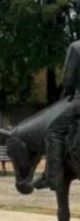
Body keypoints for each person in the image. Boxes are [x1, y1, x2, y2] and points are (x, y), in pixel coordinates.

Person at [35, 39, 80, 191]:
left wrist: (68, 93)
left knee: (53, 131)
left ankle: (53, 177)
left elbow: (68, 82)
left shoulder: (76, 47)